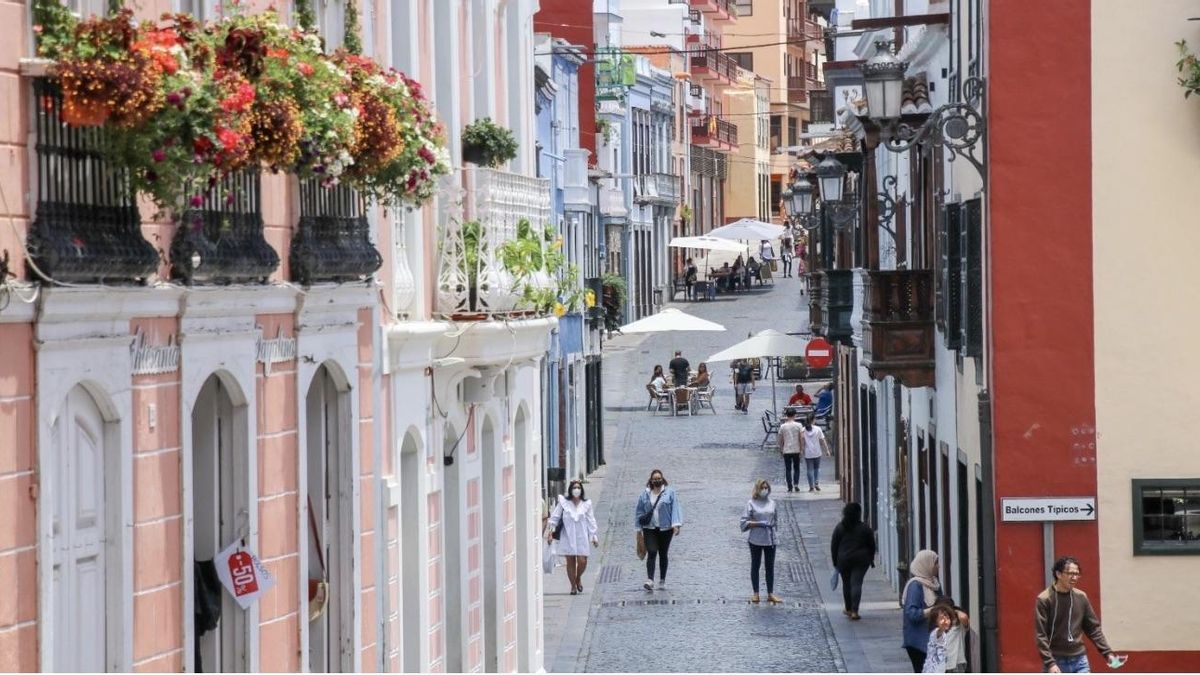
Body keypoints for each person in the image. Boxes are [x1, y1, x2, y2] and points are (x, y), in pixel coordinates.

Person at [1035, 556, 1123, 673]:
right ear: (1058, 574)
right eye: (1070, 573)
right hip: (1056, 661)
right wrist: (1050, 663)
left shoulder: (1081, 597)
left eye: (1077, 574)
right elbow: (1041, 635)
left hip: (1080, 660)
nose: (1074, 577)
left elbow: (1093, 629)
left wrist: (1108, 653)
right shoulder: (1044, 599)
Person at [544, 480, 599, 595]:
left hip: (581, 536)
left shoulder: (586, 504)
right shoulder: (564, 503)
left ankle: (578, 577)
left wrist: (594, 536)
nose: (576, 489)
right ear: (570, 489)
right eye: (574, 487)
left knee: (582, 561)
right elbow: (555, 517)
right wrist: (550, 533)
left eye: (578, 487)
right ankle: (573, 586)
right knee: (570, 561)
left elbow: (591, 520)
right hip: (567, 535)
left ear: (582, 489)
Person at [634, 469, 682, 591]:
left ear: (662, 479)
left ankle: (662, 580)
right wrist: (638, 528)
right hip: (649, 528)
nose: (657, 481)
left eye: (659, 478)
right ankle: (650, 579)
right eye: (655, 479)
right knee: (652, 551)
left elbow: (675, 508)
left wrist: (675, 525)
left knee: (663, 554)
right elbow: (639, 511)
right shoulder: (645, 494)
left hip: (666, 529)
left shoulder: (670, 493)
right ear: (651, 480)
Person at [830, 502, 876, 620]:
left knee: (846, 584)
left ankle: (848, 608)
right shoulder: (864, 528)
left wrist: (835, 562)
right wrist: (871, 558)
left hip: (843, 560)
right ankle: (855, 611)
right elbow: (872, 544)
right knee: (856, 583)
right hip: (861, 560)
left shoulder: (840, 527)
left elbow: (834, 545)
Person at [740, 479, 781, 604]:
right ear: (758, 489)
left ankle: (770, 593)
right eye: (762, 488)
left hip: (770, 539)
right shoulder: (751, 503)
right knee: (755, 565)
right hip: (755, 540)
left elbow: (776, 520)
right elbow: (743, 523)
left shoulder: (772, 503)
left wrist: (772, 528)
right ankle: (756, 593)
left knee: (770, 567)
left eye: (766, 487)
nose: (765, 490)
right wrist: (758, 523)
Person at [902, 550, 943, 672]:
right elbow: (911, 613)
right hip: (918, 641)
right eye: (936, 563)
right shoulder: (915, 586)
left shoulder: (934, 584)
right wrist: (931, 610)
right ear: (927, 564)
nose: (938, 566)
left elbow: (942, 602)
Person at [922, 601, 970, 673]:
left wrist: (955, 610)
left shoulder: (959, 627)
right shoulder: (935, 632)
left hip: (956, 663)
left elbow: (963, 617)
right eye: (941, 617)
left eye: (947, 615)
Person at [801, 415, 830, 491]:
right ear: (813, 420)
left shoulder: (803, 430)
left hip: (808, 453)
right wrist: (827, 450)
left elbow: (802, 442)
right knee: (817, 468)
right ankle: (816, 483)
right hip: (817, 451)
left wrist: (802, 451)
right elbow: (823, 440)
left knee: (809, 469)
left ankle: (811, 486)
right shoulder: (818, 429)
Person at [777, 410, 804, 492]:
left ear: (787, 415)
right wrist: (802, 448)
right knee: (796, 468)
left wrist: (781, 449)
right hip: (796, 449)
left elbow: (780, 439)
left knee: (788, 469)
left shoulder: (783, 426)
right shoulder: (799, 425)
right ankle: (796, 484)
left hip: (787, 450)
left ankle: (789, 486)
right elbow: (801, 438)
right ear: (794, 415)